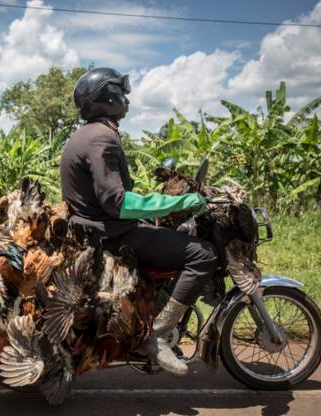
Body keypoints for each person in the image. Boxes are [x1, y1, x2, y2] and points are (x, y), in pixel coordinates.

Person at [60, 67, 218, 376]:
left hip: (98, 230)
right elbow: (115, 201)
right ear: (106, 98)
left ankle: (150, 311)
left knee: (164, 235)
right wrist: (179, 201)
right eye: (120, 93)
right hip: (112, 235)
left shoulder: (87, 134)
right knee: (203, 253)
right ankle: (157, 334)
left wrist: (156, 210)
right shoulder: (101, 138)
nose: (126, 99)